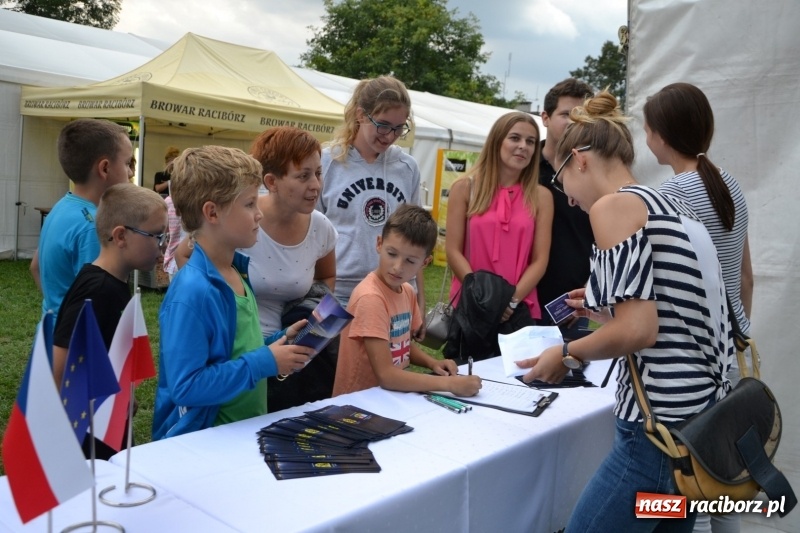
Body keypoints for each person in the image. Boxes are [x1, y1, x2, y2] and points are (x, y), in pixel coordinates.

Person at [516, 91, 733, 532]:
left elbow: (639, 329)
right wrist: (602, 314)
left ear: (578, 159)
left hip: (655, 435)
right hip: (696, 427)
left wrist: (568, 353)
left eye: (560, 179)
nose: (569, 199)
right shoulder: (672, 205)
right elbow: (673, 316)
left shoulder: (613, 207)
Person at [644, 82, 752, 533]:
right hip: (730, 348)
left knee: (681, 478)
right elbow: (744, 275)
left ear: (662, 136)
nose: (645, 138)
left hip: (690, 357)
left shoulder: (672, 196)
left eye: (648, 129)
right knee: (721, 471)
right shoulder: (729, 183)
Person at [152, 146, 315, 440]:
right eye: (250, 204)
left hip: (239, 435)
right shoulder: (192, 292)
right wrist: (265, 361)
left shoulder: (236, 271)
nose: (259, 214)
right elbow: (186, 386)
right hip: (205, 442)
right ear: (212, 212)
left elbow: (235, 350)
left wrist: (279, 341)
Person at [53, 183, 167, 459]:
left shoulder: (114, 282)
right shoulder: (98, 290)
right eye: (155, 236)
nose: (161, 246)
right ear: (121, 236)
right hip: (88, 434)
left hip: (108, 419)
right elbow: (60, 361)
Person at [333, 204, 482, 397]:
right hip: (358, 404)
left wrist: (432, 363)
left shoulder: (407, 292)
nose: (397, 267)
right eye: (392, 254)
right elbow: (387, 376)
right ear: (379, 244)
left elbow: (399, 345)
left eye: (410, 261)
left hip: (388, 400)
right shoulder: (371, 298)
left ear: (425, 263)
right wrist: (449, 384)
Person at [317, 75, 426, 336]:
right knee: (333, 373)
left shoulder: (406, 167)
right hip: (337, 294)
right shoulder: (325, 162)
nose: (390, 136)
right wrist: (320, 297)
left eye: (400, 128)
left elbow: (416, 239)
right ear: (360, 115)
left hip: (394, 293)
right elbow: (311, 235)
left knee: (389, 372)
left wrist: (418, 299)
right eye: (383, 125)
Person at [243, 126, 338, 411]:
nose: (316, 185)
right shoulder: (240, 217)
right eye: (303, 175)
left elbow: (326, 276)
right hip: (242, 357)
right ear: (271, 181)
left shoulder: (320, 227)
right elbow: (187, 255)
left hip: (296, 359)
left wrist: (309, 313)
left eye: (318, 173)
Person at [445, 111, 553, 326]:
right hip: (471, 304)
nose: (523, 146)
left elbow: (540, 260)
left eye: (530, 141)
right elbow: (453, 250)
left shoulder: (542, 197)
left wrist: (510, 302)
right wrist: (479, 295)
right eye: (515, 138)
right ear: (496, 141)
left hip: (518, 307)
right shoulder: (465, 188)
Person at [30, 118, 135, 317]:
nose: (130, 172)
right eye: (128, 163)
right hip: (80, 344)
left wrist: (57, 310)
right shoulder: (94, 227)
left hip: (49, 337)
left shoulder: (60, 208)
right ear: (105, 168)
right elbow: (99, 300)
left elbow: (35, 267)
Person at [537, 78, 595, 322]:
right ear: (545, 117)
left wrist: (587, 292)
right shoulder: (522, 167)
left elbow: (602, 240)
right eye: (566, 114)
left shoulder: (592, 172)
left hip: (569, 302)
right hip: (521, 298)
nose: (574, 121)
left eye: (581, 115)